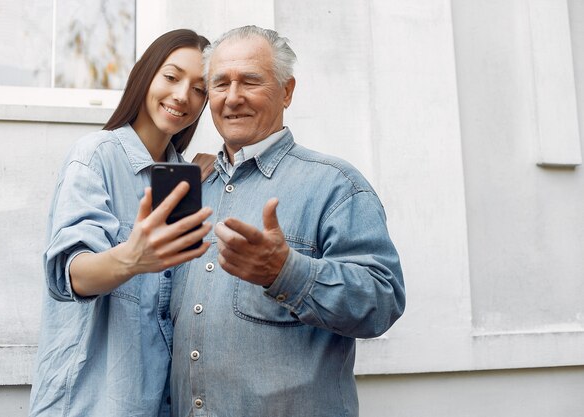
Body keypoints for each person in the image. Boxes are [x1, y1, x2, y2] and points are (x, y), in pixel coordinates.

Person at [169, 25, 406, 417]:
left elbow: (383, 301)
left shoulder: (335, 184)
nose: (232, 97)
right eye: (220, 83)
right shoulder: (194, 186)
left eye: (250, 81)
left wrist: (286, 272)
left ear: (287, 91)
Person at [29, 29, 213, 417]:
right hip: (91, 403)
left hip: (160, 403)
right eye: (172, 76)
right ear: (145, 75)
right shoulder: (96, 155)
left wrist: (197, 182)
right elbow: (73, 275)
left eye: (200, 88)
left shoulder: (183, 177)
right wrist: (132, 257)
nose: (183, 95)